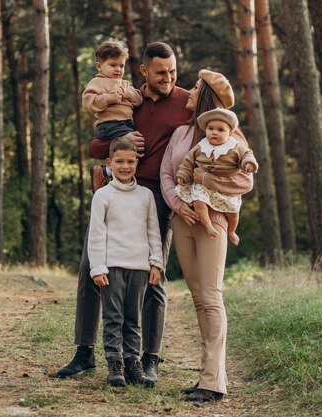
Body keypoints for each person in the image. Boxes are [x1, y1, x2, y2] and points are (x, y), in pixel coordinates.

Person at [57, 41, 192, 382]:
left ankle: (149, 359)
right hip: (116, 192)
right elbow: (95, 146)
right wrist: (127, 141)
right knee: (92, 266)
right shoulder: (127, 96)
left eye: (173, 71)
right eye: (161, 72)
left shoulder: (185, 102)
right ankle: (84, 353)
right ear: (144, 71)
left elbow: (220, 129)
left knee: (153, 273)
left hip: (158, 196)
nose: (169, 78)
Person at [160, 69, 254, 402]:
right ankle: (205, 375)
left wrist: (204, 179)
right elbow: (168, 174)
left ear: (208, 95)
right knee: (198, 297)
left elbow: (244, 183)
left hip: (213, 220)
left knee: (211, 296)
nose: (190, 90)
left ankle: (214, 381)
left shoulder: (231, 137)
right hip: (183, 219)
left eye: (197, 87)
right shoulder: (183, 134)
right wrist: (177, 204)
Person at [88, 137, 163, 388]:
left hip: (139, 268)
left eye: (130, 162)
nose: (125, 166)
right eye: (119, 162)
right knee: (113, 317)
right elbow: (97, 234)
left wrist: (156, 263)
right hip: (112, 268)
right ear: (109, 163)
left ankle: (133, 363)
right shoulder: (103, 195)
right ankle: (115, 364)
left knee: (133, 318)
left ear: (136, 164)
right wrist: (98, 267)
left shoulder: (145, 196)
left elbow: (154, 231)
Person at [175, 108, 258, 245]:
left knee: (233, 212)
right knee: (198, 201)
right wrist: (183, 175)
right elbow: (188, 162)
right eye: (210, 128)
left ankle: (232, 231)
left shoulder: (235, 146)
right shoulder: (200, 146)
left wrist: (248, 163)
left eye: (220, 130)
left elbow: (247, 154)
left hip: (224, 187)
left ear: (230, 133)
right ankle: (208, 225)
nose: (214, 132)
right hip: (202, 186)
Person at [82, 40, 143, 143]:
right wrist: (109, 98)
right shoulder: (97, 82)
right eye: (113, 65)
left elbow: (138, 99)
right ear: (99, 66)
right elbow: (89, 102)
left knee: (137, 143)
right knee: (134, 141)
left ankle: (131, 158)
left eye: (121, 66)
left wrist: (126, 93)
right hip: (109, 125)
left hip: (128, 123)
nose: (118, 69)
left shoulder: (124, 84)